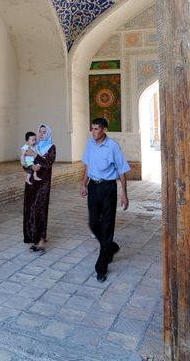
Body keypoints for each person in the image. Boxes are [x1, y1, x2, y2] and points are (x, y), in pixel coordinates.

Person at [80, 117, 130, 282]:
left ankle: (101, 268)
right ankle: (111, 247)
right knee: (93, 222)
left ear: (104, 130)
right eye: (92, 129)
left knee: (107, 225)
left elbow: (122, 170)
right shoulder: (90, 144)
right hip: (94, 187)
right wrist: (84, 185)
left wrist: (124, 193)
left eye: (96, 129)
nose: (93, 132)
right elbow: (87, 165)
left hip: (108, 188)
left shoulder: (113, 146)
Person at [23, 124, 56, 254]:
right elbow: (25, 162)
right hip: (31, 183)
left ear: (48, 134)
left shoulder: (51, 147)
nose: (41, 134)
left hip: (42, 184)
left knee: (39, 211)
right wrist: (31, 168)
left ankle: (41, 239)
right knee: (29, 211)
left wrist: (36, 156)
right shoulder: (33, 145)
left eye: (44, 132)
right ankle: (33, 239)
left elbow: (48, 163)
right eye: (40, 132)